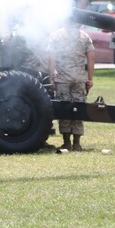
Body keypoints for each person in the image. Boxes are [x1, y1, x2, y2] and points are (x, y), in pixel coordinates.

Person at [48, 21, 94, 151]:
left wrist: (51, 77)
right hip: (79, 79)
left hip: (62, 79)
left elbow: (51, 58)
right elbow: (91, 58)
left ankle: (67, 142)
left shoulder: (55, 36)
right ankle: (77, 143)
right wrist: (90, 79)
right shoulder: (84, 36)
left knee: (64, 109)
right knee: (78, 109)